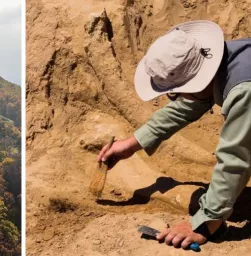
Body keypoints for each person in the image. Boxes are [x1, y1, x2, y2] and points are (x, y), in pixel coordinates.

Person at [97, 20, 251, 249]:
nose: (177, 96)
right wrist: (131, 144)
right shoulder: (229, 59)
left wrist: (204, 222)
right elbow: (189, 105)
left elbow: (235, 160)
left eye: (176, 91)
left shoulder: (244, 90)